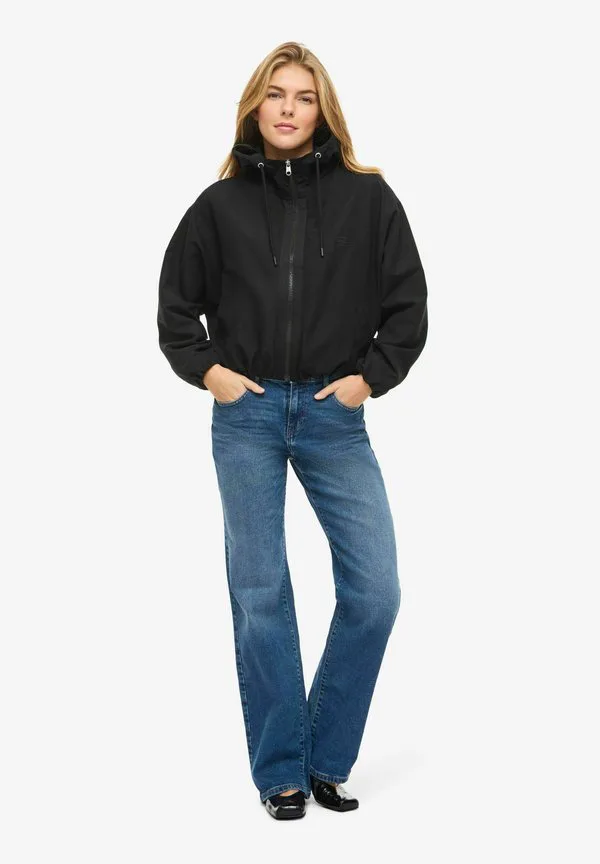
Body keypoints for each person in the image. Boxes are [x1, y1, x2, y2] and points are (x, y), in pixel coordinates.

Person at [157, 41, 428, 821]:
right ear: (255, 105)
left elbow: (407, 306)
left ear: (323, 110)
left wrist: (368, 378)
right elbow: (176, 307)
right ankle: (281, 771)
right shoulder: (220, 206)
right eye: (275, 94)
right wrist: (208, 370)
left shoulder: (369, 199)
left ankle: (325, 757)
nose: (287, 108)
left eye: (304, 96)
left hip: (332, 414)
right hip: (245, 413)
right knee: (261, 592)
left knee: (375, 590)